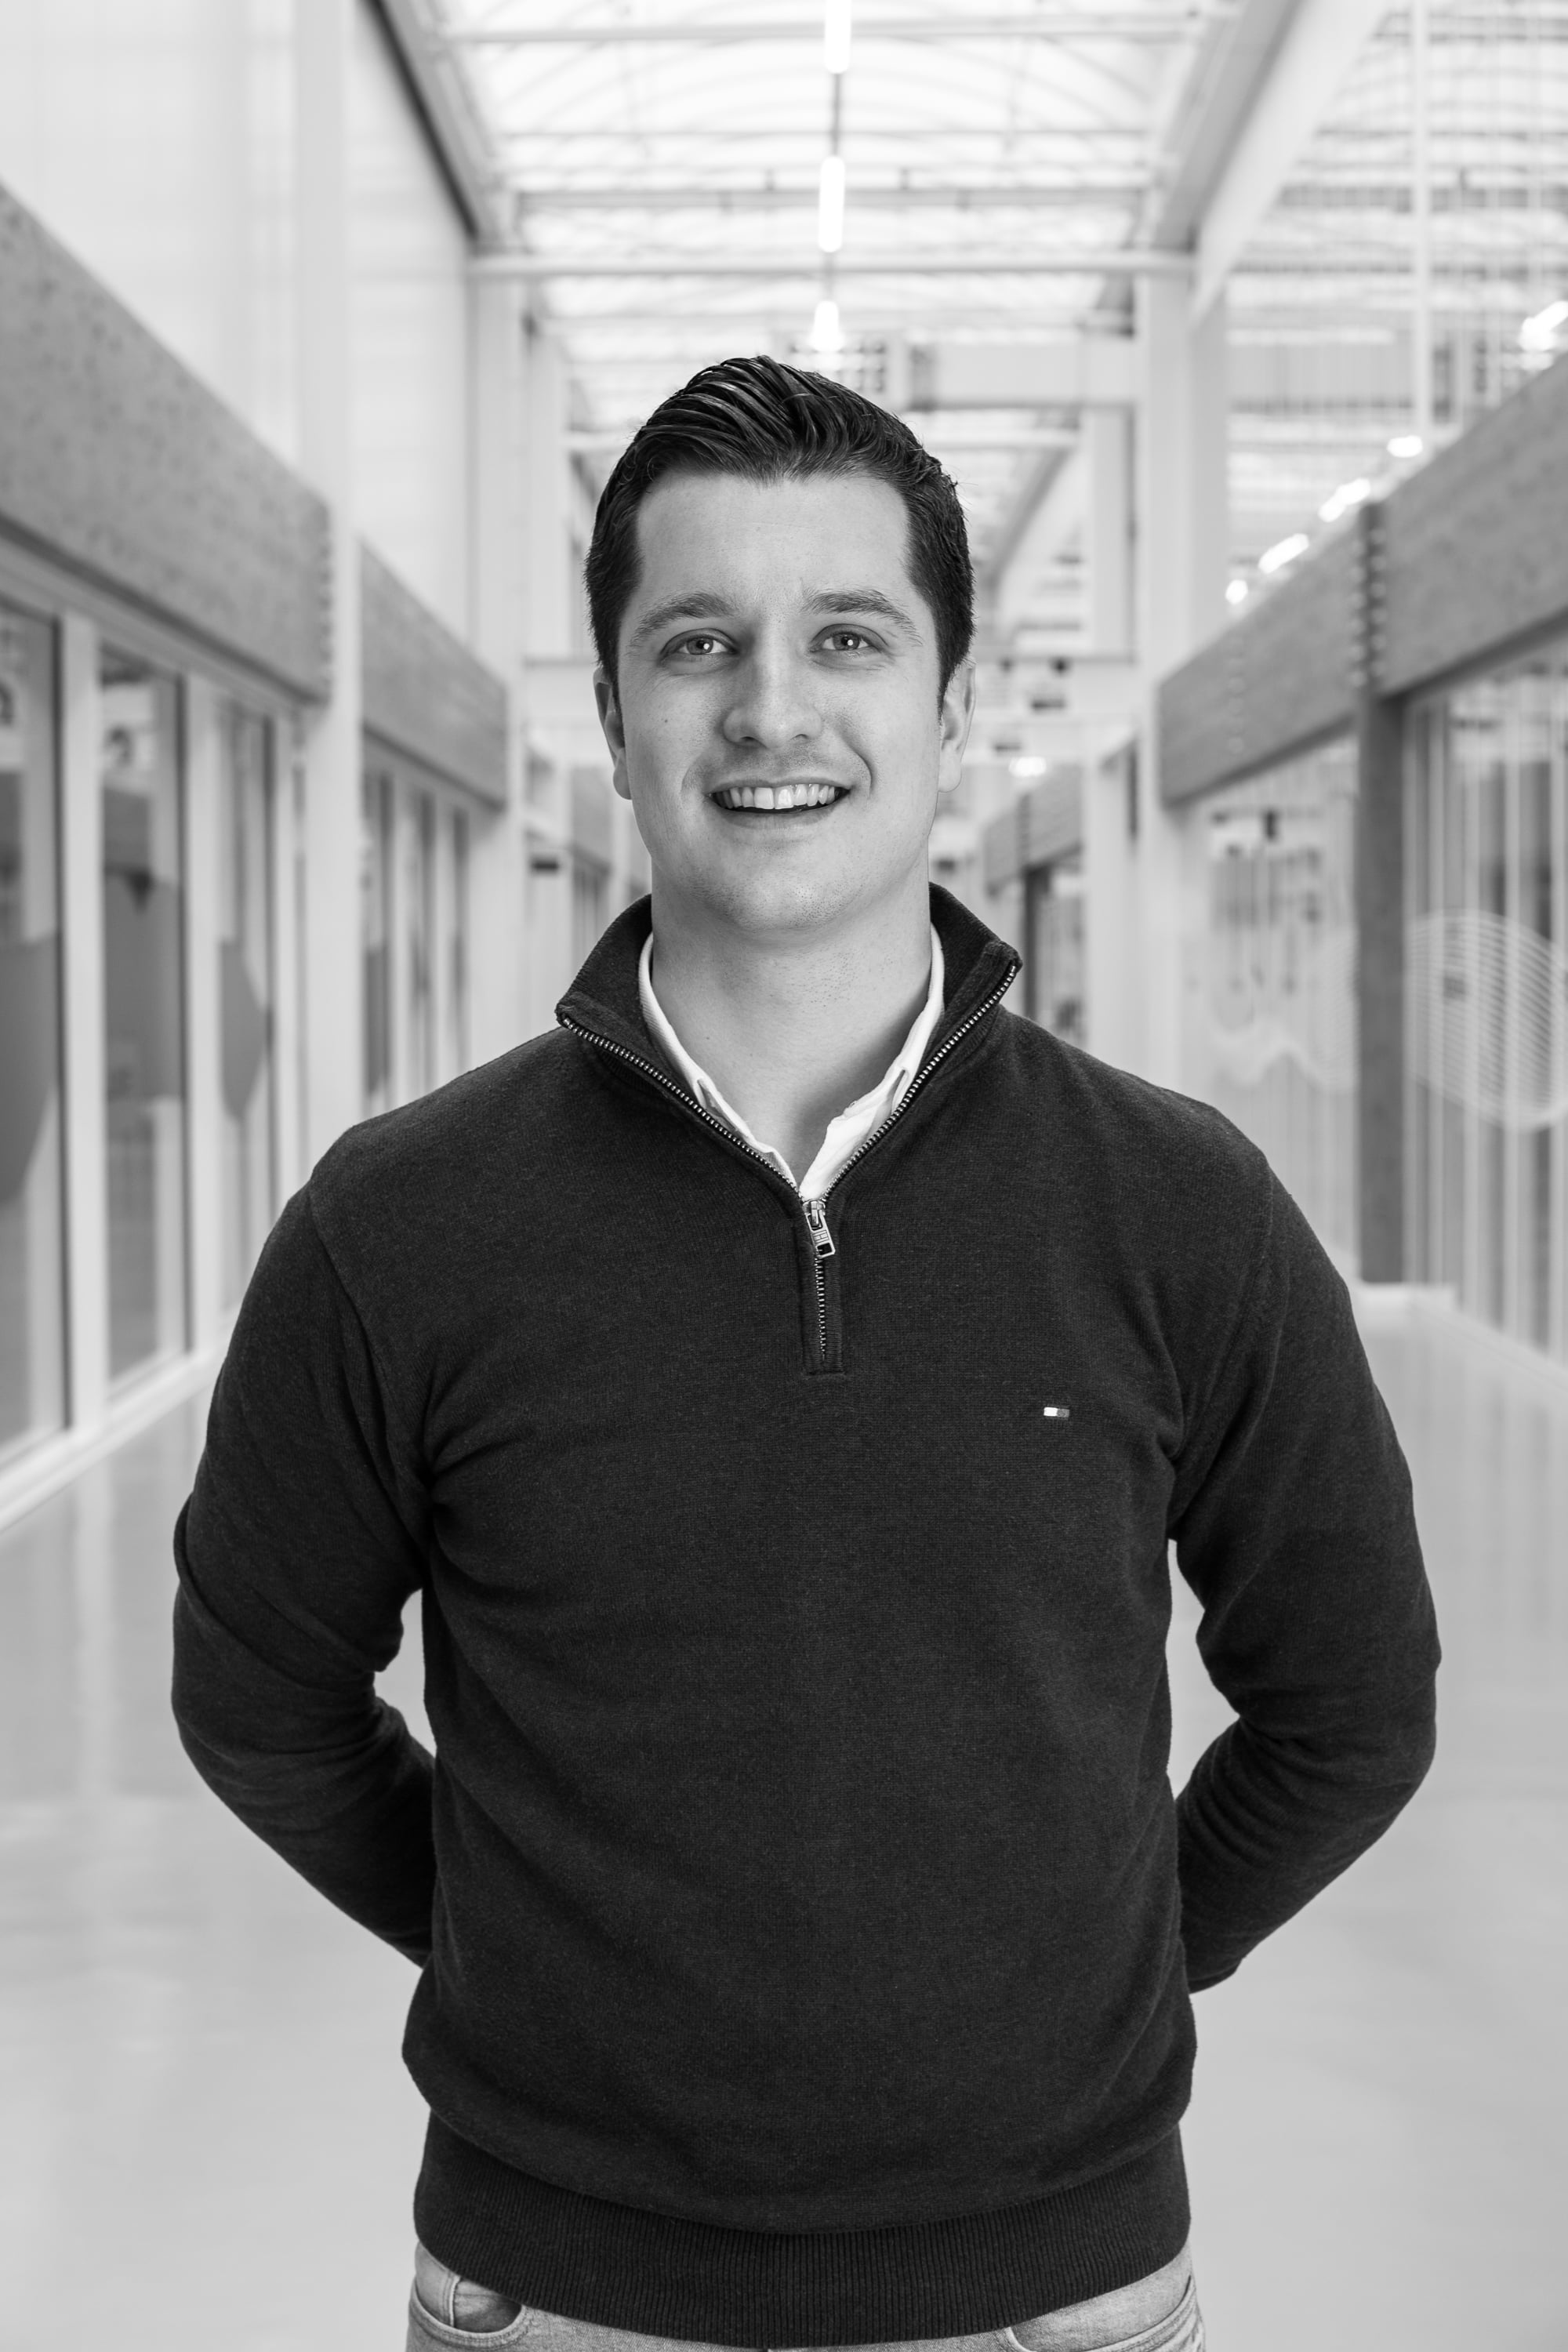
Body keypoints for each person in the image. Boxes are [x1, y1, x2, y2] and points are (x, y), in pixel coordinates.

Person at [172, 356, 1440, 2352]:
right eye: (698, 643)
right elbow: (260, 1701)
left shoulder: (1176, 1206)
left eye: (848, 635)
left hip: (1056, 2292)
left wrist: (1095, 1989)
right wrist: (522, 1963)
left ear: (950, 703)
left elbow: (1352, 1704)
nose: (772, 707)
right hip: (557, 2293)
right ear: (616, 719)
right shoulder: (397, 1227)